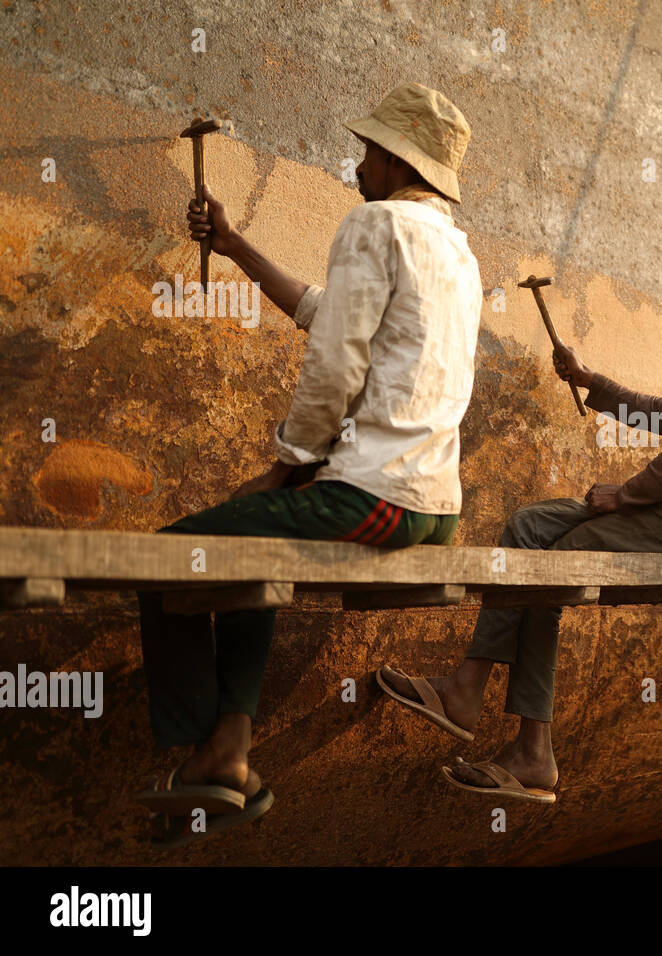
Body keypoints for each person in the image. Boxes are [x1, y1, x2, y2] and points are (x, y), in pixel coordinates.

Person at [134, 83, 482, 843]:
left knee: (167, 556)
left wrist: (287, 464)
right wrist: (233, 246)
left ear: (396, 160)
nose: (358, 164)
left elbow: (333, 366)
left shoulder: (375, 224)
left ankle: (210, 753)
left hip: (377, 496)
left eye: (367, 152)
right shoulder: (456, 251)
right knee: (254, 547)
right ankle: (227, 750)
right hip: (434, 506)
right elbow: (326, 311)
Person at [375, 211, 662, 804]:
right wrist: (593, 382)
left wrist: (623, 495)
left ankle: (510, 731)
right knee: (529, 528)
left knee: (548, 557)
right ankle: (488, 711)